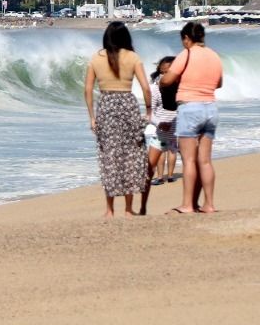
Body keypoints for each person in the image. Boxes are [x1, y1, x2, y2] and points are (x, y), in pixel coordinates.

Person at [83, 21, 152, 217]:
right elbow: (146, 88)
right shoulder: (132, 57)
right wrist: (148, 112)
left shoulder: (96, 58)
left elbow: (87, 89)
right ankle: (129, 209)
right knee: (131, 155)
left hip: (106, 105)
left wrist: (92, 117)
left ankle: (109, 209)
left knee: (109, 157)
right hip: (128, 105)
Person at [162, 22, 223, 214]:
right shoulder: (214, 55)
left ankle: (188, 204)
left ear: (187, 39)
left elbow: (168, 80)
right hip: (211, 108)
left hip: (190, 108)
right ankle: (209, 204)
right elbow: (219, 83)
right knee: (204, 160)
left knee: (188, 160)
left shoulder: (186, 54)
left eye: (183, 40)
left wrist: (166, 80)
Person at [138, 55, 178, 216]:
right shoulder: (177, 84)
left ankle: (160, 177)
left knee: (161, 150)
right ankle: (169, 176)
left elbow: (151, 111)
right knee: (172, 150)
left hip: (161, 122)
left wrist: (159, 123)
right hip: (175, 121)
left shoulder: (154, 87)